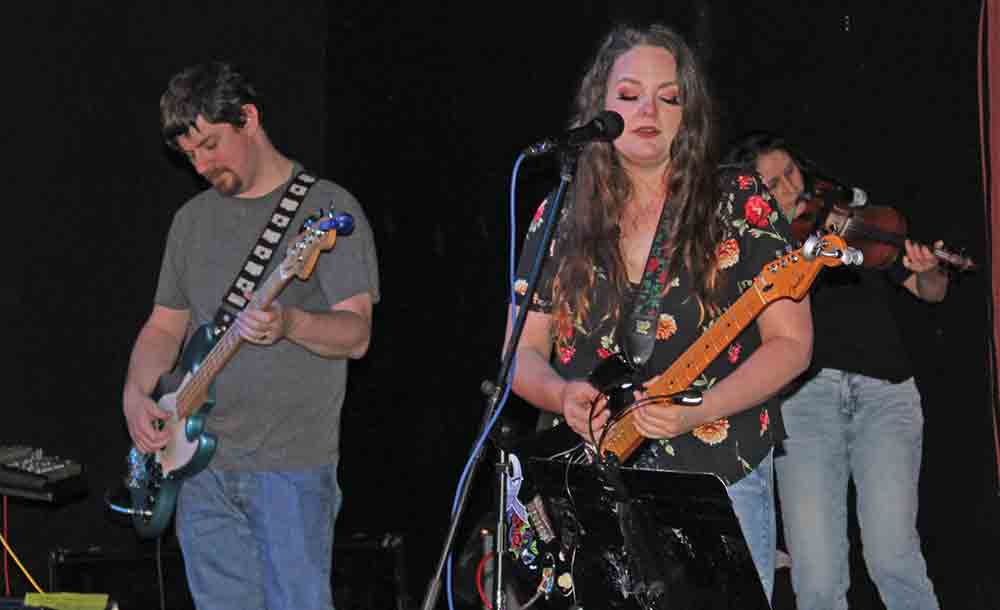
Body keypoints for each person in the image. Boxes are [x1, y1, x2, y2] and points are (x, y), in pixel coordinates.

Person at [506, 24, 813, 602]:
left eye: (668, 96)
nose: (648, 110)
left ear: (687, 111)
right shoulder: (561, 212)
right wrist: (560, 395)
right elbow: (519, 354)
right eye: (629, 95)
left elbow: (792, 343)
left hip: (718, 469)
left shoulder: (738, 198)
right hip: (594, 478)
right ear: (599, 105)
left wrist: (702, 410)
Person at [121, 61, 379, 610]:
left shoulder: (326, 209)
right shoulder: (190, 222)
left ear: (249, 118)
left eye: (211, 145)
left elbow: (357, 335)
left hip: (291, 468)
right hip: (198, 471)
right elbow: (164, 327)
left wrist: (291, 324)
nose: (201, 164)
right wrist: (134, 398)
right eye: (190, 156)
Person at [724, 131, 945, 610]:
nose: (791, 189)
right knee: (818, 579)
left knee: (894, 559)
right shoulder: (748, 249)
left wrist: (928, 269)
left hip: (885, 396)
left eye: (791, 174)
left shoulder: (846, 220)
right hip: (803, 406)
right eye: (773, 184)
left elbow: (929, 291)